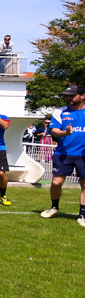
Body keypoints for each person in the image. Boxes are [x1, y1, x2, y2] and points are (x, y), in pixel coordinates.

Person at [41, 85, 85, 227]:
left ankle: (82, 215)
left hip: (83, 155)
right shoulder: (59, 112)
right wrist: (65, 133)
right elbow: (54, 131)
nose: (68, 98)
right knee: (56, 183)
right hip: (63, 154)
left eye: (71, 95)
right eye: (66, 95)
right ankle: (54, 207)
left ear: (82, 96)